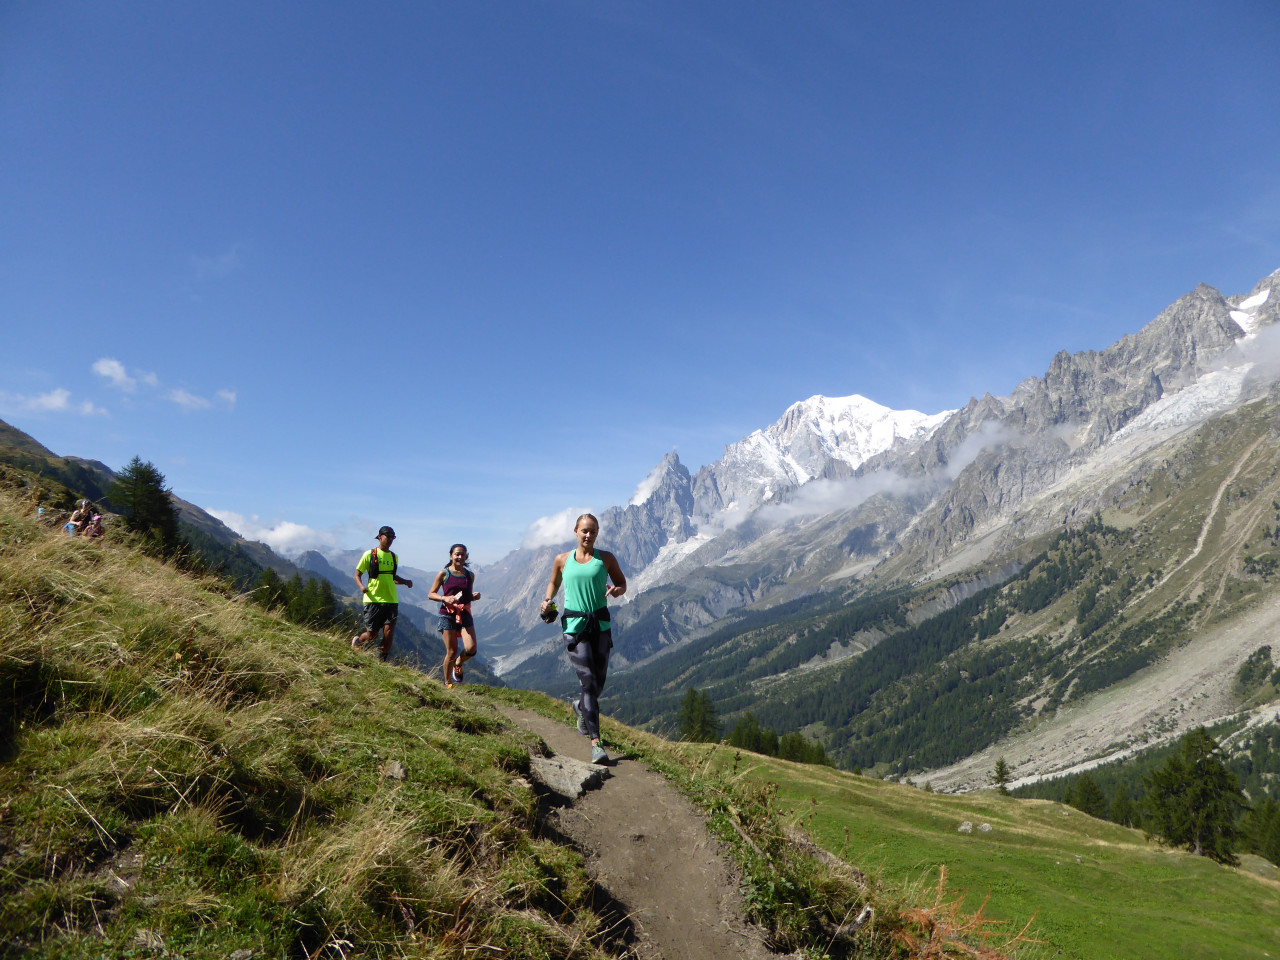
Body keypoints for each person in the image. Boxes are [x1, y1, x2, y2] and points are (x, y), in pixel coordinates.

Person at [540, 513, 626, 764]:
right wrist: (548, 600)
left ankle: (580, 708)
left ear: (597, 533)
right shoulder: (562, 560)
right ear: (575, 532)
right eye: (584, 530)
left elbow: (621, 583)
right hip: (575, 626)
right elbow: (553, 583)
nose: (589, 535)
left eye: (593, 531)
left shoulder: (606, 558)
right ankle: (596, 743)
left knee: (598, 684)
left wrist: (617, 590)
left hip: (600, 625)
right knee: (588, 681)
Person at [352, 525, 413, 661]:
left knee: (388, 633)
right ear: (380, 537)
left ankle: (382, 661)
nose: (391, 539)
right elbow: (357, 574)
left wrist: (405, 582)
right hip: (373, 599)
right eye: (388, 536)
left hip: (391, 599)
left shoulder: (394, 557)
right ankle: (358, 642)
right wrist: (362, 587)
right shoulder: (369, 554)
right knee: (372, 635)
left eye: (393, 537)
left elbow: (392, 577)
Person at [428, 543, 482, 689]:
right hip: (447, 614)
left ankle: (458, 663)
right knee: (451, 651)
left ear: (466, 557)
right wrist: (444, 598)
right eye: (457, 554)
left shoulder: (469, 575)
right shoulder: (444, 574)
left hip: (464, 613)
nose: (459, 557)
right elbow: (431, 594)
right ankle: (448, 683)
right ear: (451, 555)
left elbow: (466, 596)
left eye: (462, 554)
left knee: (471, 649)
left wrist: (473, 596)